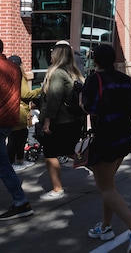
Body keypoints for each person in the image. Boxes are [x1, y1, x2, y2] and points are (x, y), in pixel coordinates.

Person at [82, 45, 131, 252]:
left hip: (105, 138)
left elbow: (85, 107)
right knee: (108, 185)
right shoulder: (125, 79)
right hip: (125, 137)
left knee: (106, 188)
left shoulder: (94, 80)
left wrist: (80, 96)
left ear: (96, 61)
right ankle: (106, 227)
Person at [38, 43, 85, 200]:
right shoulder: (74, 72)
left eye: (52, 53)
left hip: (60, 120)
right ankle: (99, 168)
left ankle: (57, 189)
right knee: (71, 151)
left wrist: (47, 121)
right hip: (74, 120)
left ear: (57, 56)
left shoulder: (57, 73)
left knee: (50, 153)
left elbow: (54, 99)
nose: (50, 55)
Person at [0, 40, 34, 220]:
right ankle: (21, 201)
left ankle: (21, 201)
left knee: (3, 164)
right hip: (9, 120)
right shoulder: (13, 68)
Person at [7, 56, 41, 172]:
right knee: (19, 137)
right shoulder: (18, 76)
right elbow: (25, 94)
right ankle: (13, 162)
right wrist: (40, 90)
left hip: (12, 110)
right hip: (19, 111)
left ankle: (18, 161)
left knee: (15, 137)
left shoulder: (7, 75)